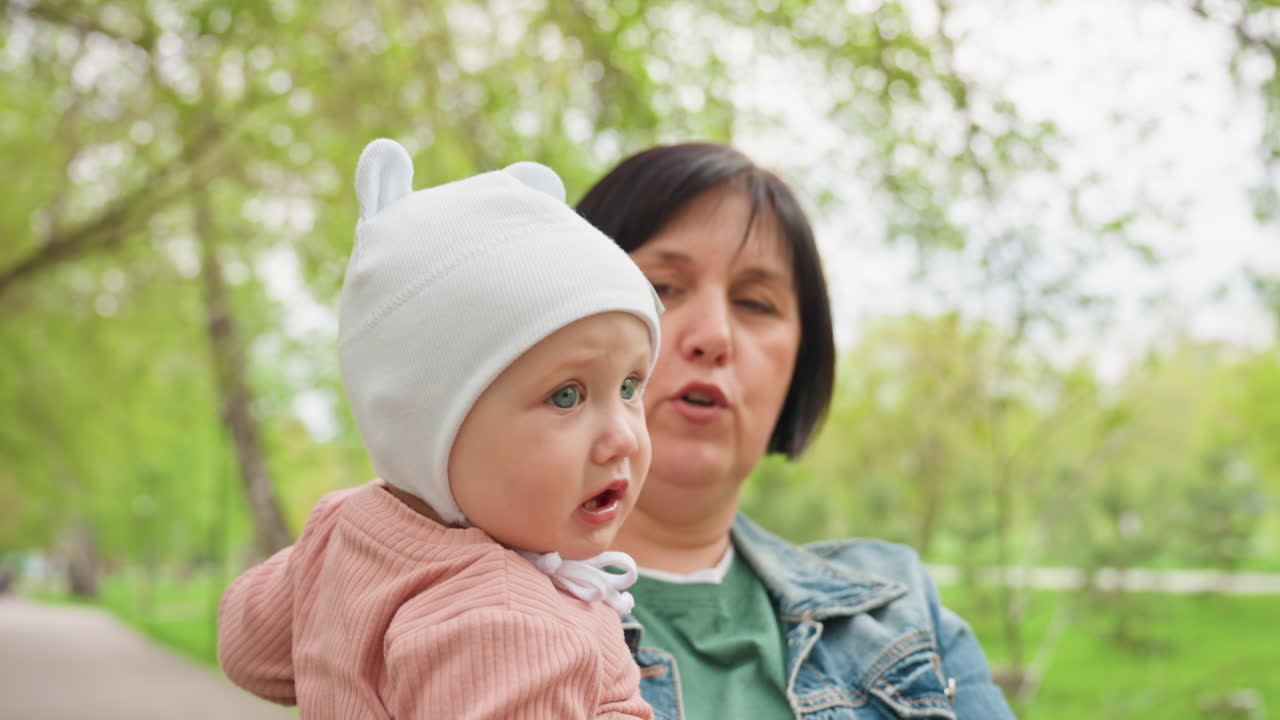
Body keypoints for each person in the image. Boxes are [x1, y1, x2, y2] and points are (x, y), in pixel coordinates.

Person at [217, 138, 662, 719]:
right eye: (567, 396)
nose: (624, 437)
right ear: (428, 426)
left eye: (630, 387)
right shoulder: (511, 629)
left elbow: (249, 650)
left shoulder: (344, 528)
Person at [575, 143, 1016, 719]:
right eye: (661, 287)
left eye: (755, 303)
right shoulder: (455, 612)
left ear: (800, 364)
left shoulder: (900, 614)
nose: (714, 335)